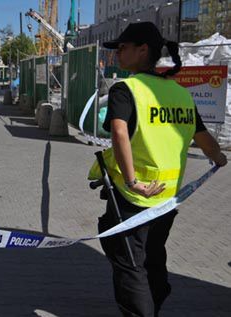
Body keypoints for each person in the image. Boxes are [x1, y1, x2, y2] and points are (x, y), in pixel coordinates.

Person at [88, 22, 227, 316]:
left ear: (143, 50)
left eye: (123, 48)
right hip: (167, 200)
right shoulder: (180, 93)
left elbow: (119, 133)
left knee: (129, 263)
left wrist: (132, 180)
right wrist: (218, 158)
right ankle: (159, 293)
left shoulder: (127, 89)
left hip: (133, 197)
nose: (117, 54)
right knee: (151, 256)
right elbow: (202, 138)